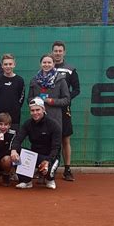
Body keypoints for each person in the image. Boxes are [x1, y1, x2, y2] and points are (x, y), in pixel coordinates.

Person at [11, 98, 61, 190]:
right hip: (35, 156)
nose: (35, 113)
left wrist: (48, 161)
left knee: (49, 172)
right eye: (32, 110)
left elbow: (56, 148)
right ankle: (26, 181)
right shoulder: (27, 124)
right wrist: (13, 151)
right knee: (16, 151)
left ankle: (50, 179)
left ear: (43, 109)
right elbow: (18, 139)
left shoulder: (54, 125)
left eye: (38, 110)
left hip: (50, 156)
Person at [52, 41, 81, 181]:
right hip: (49, 109)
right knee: (48, 139)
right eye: (55, 51)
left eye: (60, 51)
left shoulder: (70, 69)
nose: (57, 53)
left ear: (64, 52)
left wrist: (66, 99)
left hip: (64, 109)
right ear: (52, 52)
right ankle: (46, 168)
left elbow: (77, 89)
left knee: (65, 139)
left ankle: (67, 169)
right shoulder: (46, 67)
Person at [28, 54, 70, 131]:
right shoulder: (34, 80)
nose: (46, 65)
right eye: (44, 62)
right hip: (37, 119)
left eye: (49, 62)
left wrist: (52, 101)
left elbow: (66, 100)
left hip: (55, 118)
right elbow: (29, 99)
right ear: (40, 64)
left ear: (53, 64)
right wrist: (37, 101)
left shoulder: (61, 80)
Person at [0, 54, 25, 131]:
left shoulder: (20, 80)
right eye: (5, 64)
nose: (8, 66)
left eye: (10, 64)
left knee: (13, 139)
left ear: (14, 65)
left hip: (14, 117)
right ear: (2, 66)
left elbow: (21, 98)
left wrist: (15, 108)